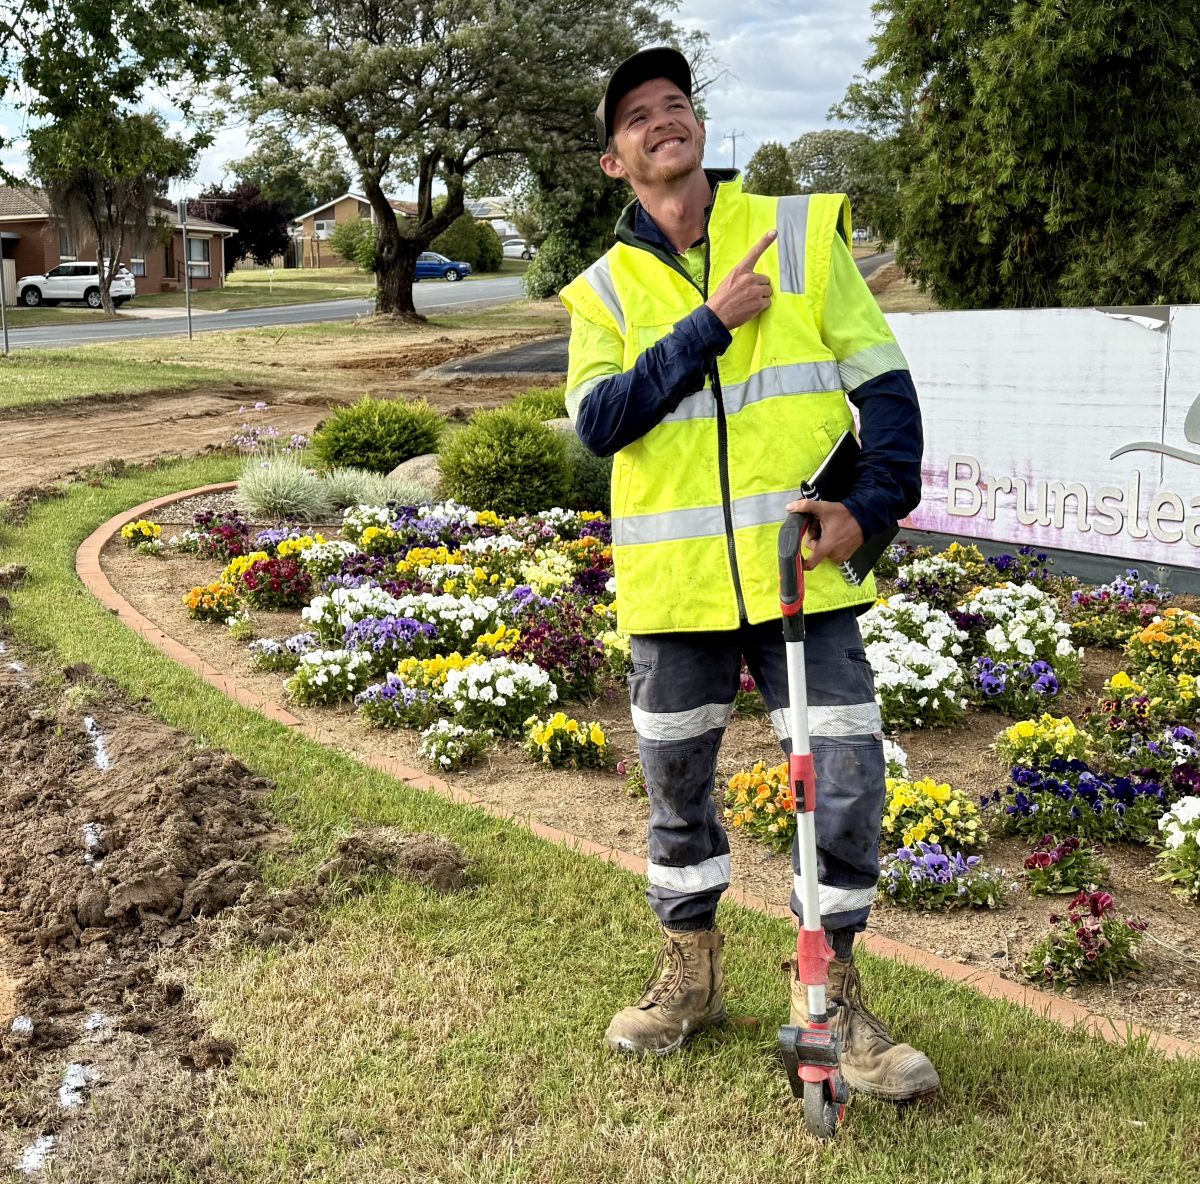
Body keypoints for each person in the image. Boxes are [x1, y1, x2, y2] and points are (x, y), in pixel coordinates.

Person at [559, 47, 938, 1103]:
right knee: (677, 792)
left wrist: (868, 512)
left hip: (801, 579)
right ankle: (691, 973)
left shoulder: (800, 234)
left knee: (846, 784)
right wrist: (710, 325)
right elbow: (601, 422)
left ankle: (830, 993)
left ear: (698, 128)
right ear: (615, 160)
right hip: (673, 592)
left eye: (675, 102)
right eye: (638, 114)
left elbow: (888, 391)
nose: (663, 118)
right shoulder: (603, 289)